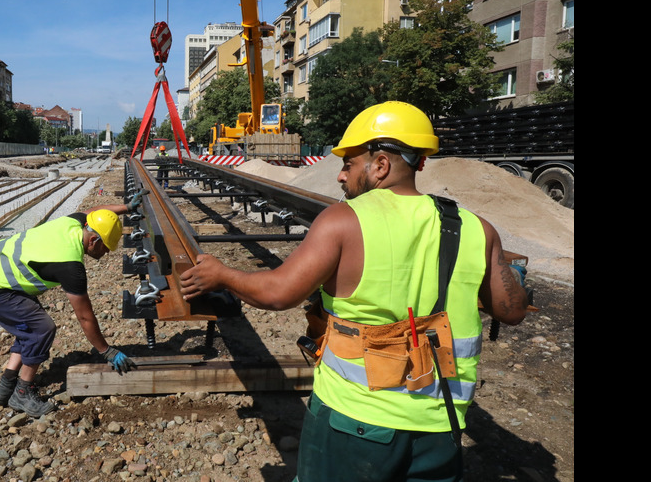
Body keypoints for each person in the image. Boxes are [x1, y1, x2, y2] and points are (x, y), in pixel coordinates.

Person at [179, 101, 529, 482]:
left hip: (355, 421)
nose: (341, 178)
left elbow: (278, 293)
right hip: (441, 425)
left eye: (348, 165)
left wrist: (222, 275)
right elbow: (511, 310)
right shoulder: (477, 228)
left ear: (380, 165)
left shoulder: (344, 221)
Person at [0, 193, 147, 418]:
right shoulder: (70, 265)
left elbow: (96, 210)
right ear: (93, 240)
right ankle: (22, 392)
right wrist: (106, 351)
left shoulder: (74, 222)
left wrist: (125, 207)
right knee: (41, 329)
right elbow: (85, 317)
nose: (104, 254)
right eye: (105, 248)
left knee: (27, 327)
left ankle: (5, 386)